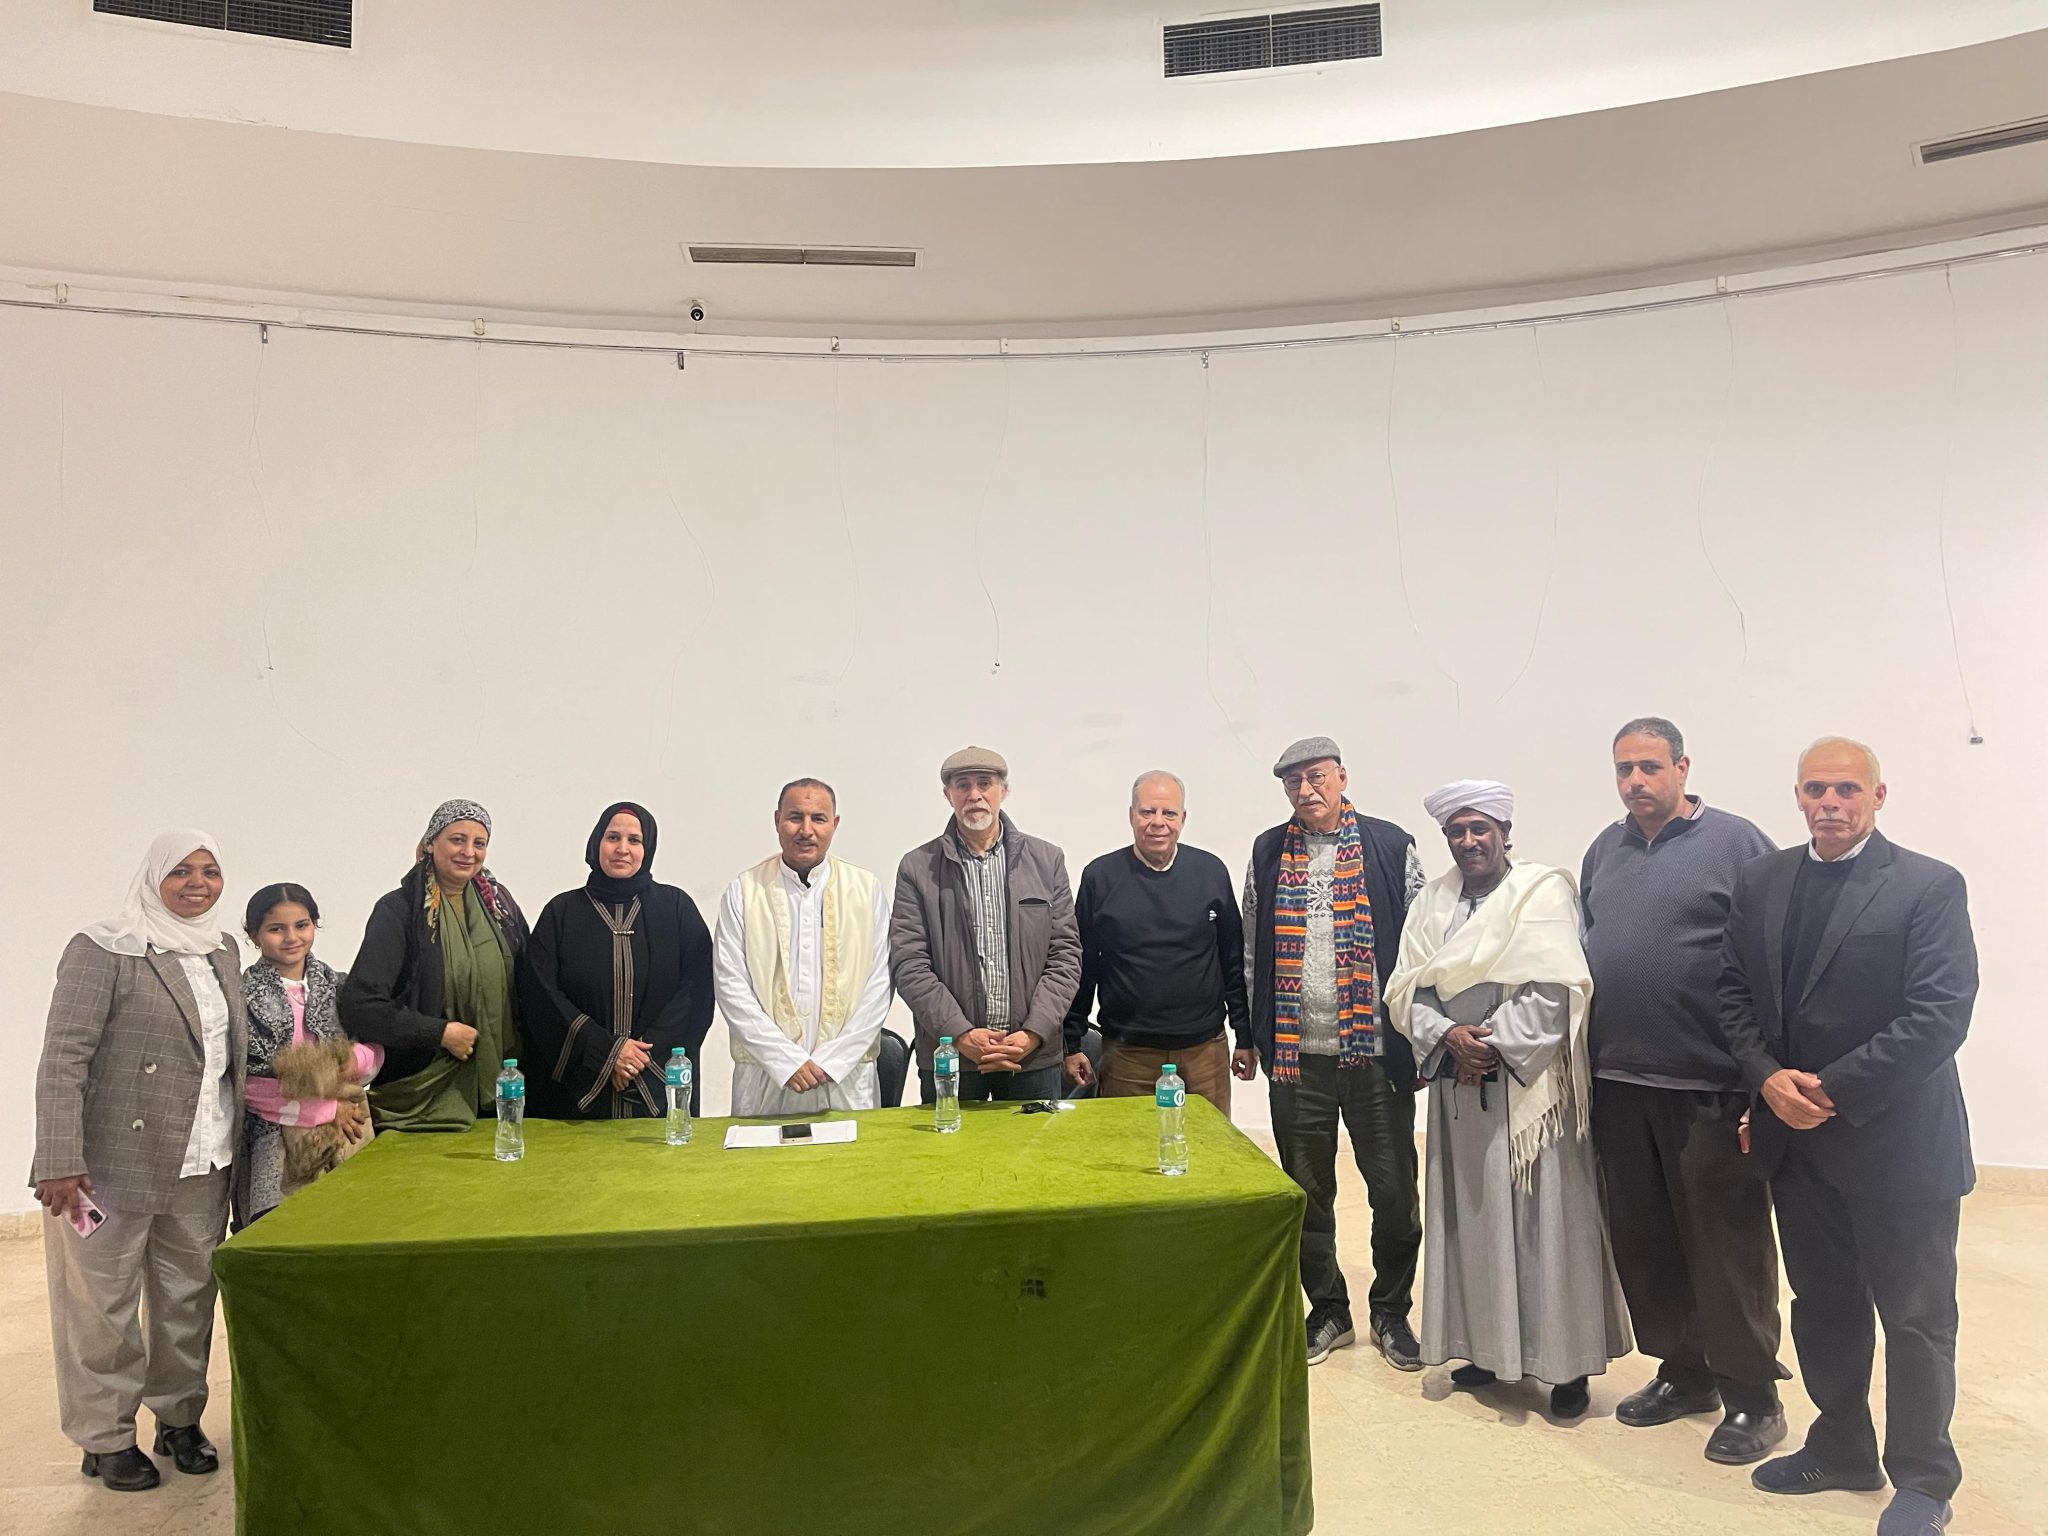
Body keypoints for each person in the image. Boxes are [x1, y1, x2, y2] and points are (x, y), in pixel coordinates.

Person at [1720, 738, 1977, 1536]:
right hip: (1798, 1147)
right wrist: (1768, 1079)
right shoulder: (1764, 880)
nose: (1829, 803)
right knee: (1824, 1305)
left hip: (1900, 1145)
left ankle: (1924, 1480)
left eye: (1845, 789)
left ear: (1877, 795)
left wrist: (1828, 1090)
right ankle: (1842, 1446)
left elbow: (1939, 1014)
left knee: (1915, 1316)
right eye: (1815, 789)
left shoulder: (1929, 886)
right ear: (1798, 796)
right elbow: (1732, 993)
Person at [1388, 781, 1631, 1418]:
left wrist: (1489, 1046)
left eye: (1480, 829)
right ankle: (1487, 1350)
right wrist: (1450, 1037)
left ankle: (1567, 1365)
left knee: (1547, 1226)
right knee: (1473, 1220)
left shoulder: (1541, 891)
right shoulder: (1431, 901)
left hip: (1534, 1092)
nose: (1468, 841)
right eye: (1457, 831)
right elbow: (1406, 989)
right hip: (1459, 1089)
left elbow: (1557, 987)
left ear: (1504, 832)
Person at [1581, 717, 1787, 1463]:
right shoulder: (1603, 850)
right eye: (1623, 769)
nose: (1635, 781)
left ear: (1682, 767)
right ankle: (1685, 1370)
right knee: (1647, 1239)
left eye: (1649, 766)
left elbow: (1771, 960)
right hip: (1619, 1080)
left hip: (1711, 1084)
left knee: (1725, 1243)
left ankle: (1754, 1396)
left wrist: (1760, 1079)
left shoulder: (1737, 843)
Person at [31, 831, 246, 1492]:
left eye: (209, 870)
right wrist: (59, 1158)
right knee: (103, 1307)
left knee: (188, 1299)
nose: (198, 883)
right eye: (181, 871)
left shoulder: (222, 949)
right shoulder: (105, 949)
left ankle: (179, 1419)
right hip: (107, 1166)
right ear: (153, 877)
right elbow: (63, 1057)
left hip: (204, 1158)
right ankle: (105, 1438)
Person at [1243, 735, 1427, 1370]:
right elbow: (1251, 949)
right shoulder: (1267, 851)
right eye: (1293, 782)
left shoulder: (1390, 845)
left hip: (1375, 1055)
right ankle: (1328, 1310)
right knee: (1307, 1194)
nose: (1305, 790)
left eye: (1316, 776)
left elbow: (1421, 949)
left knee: (1394, 1191)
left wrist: (1420, 1037)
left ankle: (1392, 1311)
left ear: (1342, 776)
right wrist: (1257, 1035)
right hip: (1298, 1060)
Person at [891, 746, 1082, 1104]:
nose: (974, 795)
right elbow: (909, 964)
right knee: (951, 1143)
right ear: (948, 795)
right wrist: (960, 1034)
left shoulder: (1047, 861)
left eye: (985, 783)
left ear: (1003, 791)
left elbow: (1065, 956)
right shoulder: (917, 868)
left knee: (1033, 1143)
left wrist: (1032, 1034)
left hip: (1032, 1058)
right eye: (963, 785)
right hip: (952, 1058)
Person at [1062, 770, 1251, 1114]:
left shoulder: (1211, 872)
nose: (1158, 822)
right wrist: (1072, 1043)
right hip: (1127, 1055)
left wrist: (1245, 1036)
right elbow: (1082, 965)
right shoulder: (1100, 877)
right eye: (1147, 812)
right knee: (1128, 1144)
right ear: (1131, 815)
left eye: (1169, 813)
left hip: (1204, 1051)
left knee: (1210, 1143)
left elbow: (1232, 960)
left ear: (1183, 818)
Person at [341, 799, 528, 1132]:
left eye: (479, 843)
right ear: (430, 843)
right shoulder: (400, 911)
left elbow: (528, 984)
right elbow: (361, 1005)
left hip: (499, 1091)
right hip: (422, 1097)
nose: (468, 852)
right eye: (457, 839)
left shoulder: (500, 908)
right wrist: (439, 1033)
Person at [521, 802, 715, 1120]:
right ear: (596, 842)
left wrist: (637, 1060)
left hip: (657, 1090)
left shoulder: (676, 909)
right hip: (576, 1095)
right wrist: (607, 1054)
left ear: (647, 849)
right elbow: (540, 996)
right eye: (612, 837)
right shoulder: (561, 913)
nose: (622, 849)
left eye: (634, 840)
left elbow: (697, 992)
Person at [714, 779, 894, 1115]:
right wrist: (785, 1061)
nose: (806, 830)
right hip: (765, 1077)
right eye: (795, 817)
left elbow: (880, 984)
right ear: (777, 820)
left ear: (834, 824)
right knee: (761, 1151)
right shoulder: (745, 890)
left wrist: (834, 1061)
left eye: (818, 818)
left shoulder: (865, 890)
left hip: (846, 1078)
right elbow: (730, 984)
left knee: (852, 1151)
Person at [235, 883, 381, 1229]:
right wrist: (325, 1111)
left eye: (301, 925)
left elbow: (376, 1048)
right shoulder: (241, 996)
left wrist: (352, 1061)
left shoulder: (340, 986)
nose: (291, 937)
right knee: (283, 1231)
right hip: (275, 1137)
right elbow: (244, 1081)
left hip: (350, 1127)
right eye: (276, 929)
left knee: (352, 1223)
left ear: (315, 924)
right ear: (254, 935)